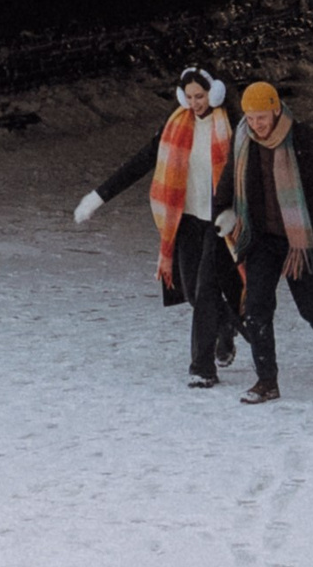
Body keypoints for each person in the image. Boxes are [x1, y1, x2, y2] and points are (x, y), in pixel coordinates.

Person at [71, 68, 243, 383]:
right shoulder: (175, 126)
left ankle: (202, 369)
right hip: (186, 221)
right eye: (189, 97)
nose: (195, 103)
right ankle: (226, 323)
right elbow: (141, 161)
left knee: (205, 291)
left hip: (219, 223)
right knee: (191, 292)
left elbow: (250, 175)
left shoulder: (232, 127)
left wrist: (236, 210)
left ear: (216, 93)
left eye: (201, 96)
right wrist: (98, 197)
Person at [213, 79, 313, 402]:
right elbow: (228, 179)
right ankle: (266, 381)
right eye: (250, 118)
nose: (256, 125)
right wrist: (223, 211)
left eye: (261, 118)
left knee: (310, 305)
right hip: (262, 238)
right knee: (256, 308)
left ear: (276, 110)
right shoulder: (243, 142)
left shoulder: (306, 141)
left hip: (303, 240)